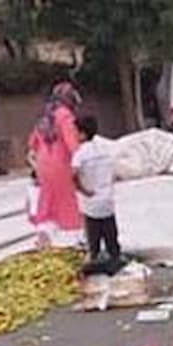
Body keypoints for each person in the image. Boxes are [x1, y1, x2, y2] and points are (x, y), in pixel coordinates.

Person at [27, 81, 83, 247]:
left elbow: (32, 145)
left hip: (43, 165)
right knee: (67, 203)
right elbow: (72, 144)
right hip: (60, 164)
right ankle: (73, 242)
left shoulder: (45, 116)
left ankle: (44, 236)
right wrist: (80, 164)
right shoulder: (65, 116)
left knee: (48, 202)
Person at [70, 115, 121, 272]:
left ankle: (96, 265)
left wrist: (82, 190)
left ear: (83, 134)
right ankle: (115, 262)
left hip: (91, 203)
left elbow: (73, 175)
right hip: (107, 200)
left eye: (75, 132)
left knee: (94, 239)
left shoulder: (81, 154)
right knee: (111, 236)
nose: (74, 135)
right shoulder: (105, 147)